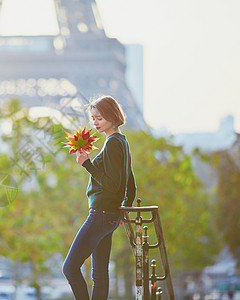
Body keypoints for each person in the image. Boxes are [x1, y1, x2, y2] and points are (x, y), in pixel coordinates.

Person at [62, 95, 137, 299]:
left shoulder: (113, 144)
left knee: (69, 268)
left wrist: (87, 164)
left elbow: (113, 185)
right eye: (93, 118)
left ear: (113, 117)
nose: (95, 122)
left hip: (101, 214)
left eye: (100, 118)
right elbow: (130, 182)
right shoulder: (122, 142)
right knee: (100, 275)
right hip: (111, 215)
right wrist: (123, 210)